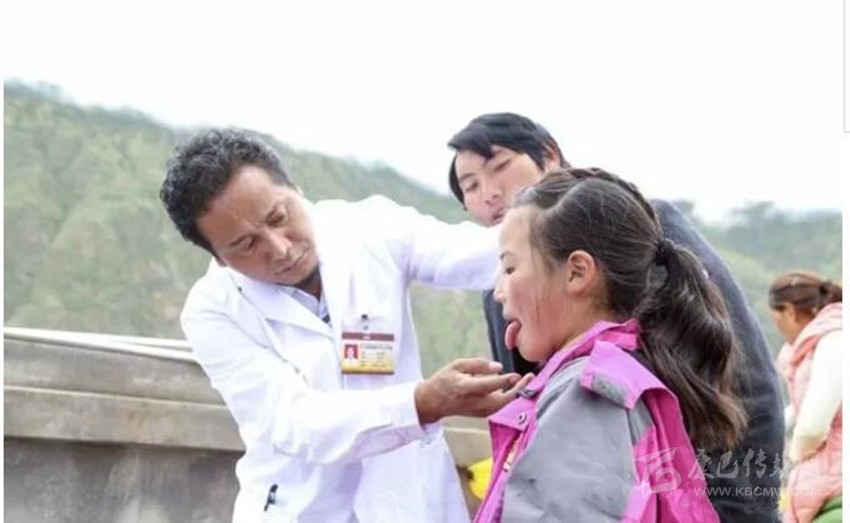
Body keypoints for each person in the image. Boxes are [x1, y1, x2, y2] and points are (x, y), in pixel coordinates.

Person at [159, 128, 531, 522]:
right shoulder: (213, 311)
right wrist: (422, 403)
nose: (280, 248)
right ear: (219, 258)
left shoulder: (369, 228)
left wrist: (556, 215)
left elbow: (481, 255)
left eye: (279, 217)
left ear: (296, 189)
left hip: (411, 502)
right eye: (247, 245)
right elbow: (297, 423)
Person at [447, 112, 785, 521]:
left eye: (499, 166)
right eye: (470, 186)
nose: (489, 193)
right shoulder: (504, 294)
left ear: (550, 156)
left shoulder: (646, 234)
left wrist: (739, 510)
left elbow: (747, 383)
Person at [475, 167, 747, 521]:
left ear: (577, 272)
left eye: (510, 269)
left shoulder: (588, 395)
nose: (498, 291)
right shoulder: (622, 374)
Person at [768, 272, 842, 523]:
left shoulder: (834, 341)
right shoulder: (817, 345)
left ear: (790, 312)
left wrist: (796, 456)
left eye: (777, 320)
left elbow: (812, 426)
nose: (779, 330)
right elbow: (799, 410)